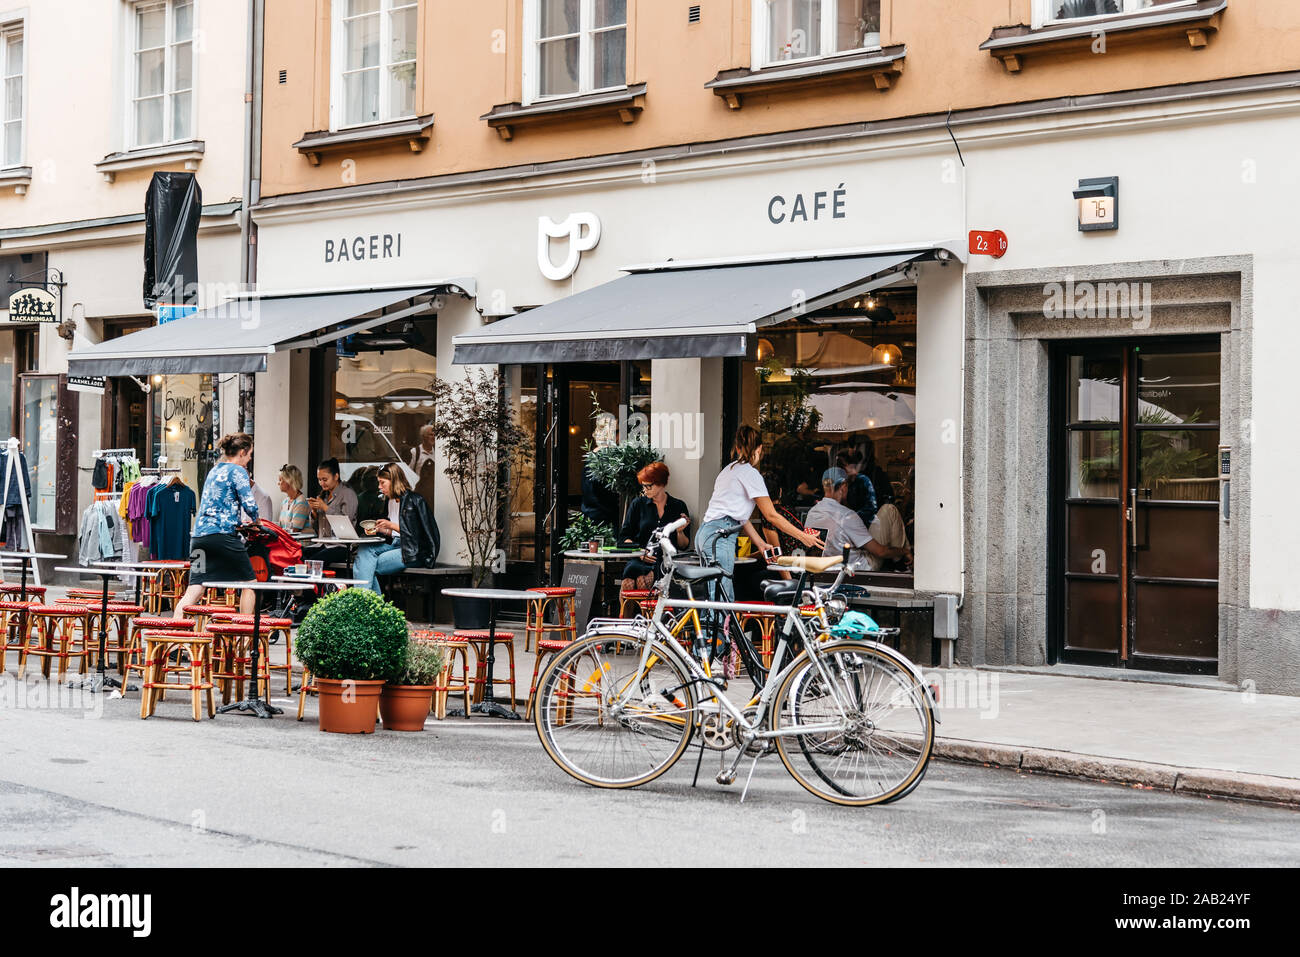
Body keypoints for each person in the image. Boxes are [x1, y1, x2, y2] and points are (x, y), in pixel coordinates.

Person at [695, 425, 823, 604]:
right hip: (720, 536)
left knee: (713, 594)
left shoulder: (728, 471)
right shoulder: (750, 473)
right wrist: (803, 537)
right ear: (759, 449)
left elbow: (741, 517)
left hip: (706, 534)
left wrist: (761, 544)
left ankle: (709, 631)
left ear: (737, 448)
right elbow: (771, 515)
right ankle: (715, 633)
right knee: (721, 598)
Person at [173, 432, 259, 619]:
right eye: (250, 454)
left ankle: (174, 634)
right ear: (242, 452)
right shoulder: (238, 471)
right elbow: (250, 505)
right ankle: (244, 636)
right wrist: (256, 522)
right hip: (222, 537)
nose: (249, 459)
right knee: (249, 583)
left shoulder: (215, 470)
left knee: (195, 587)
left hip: (199, 538)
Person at [352, 462, 441, 594]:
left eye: (382, 482)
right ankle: (371, 606)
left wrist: (391, 525)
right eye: (378, 483)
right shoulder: (390, 501)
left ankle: (367, 605)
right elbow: (395, 533)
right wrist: (382, 530)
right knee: (364, 551)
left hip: (413, 550)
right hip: (396, 544)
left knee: (366, 567)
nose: (379, 487)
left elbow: (418, 535)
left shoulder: (415, 500)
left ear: (393, 480)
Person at [804, 467, 911, 572]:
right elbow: (880, 552)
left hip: (828, 570)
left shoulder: (812, 513)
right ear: (844, 486)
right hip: (859, 569)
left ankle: (899, 560)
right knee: (889, 509)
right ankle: (901, 561)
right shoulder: (846, 515)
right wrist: (904, 551)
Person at [617, 462, 690, 592]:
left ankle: (645, 613)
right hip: (639, 559)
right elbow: (624, 537)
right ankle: (626, 613)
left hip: (664, 561)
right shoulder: (638, 504)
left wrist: (679, 532)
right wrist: (640, 553)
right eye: (643, 486)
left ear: (661, 484)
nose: (644, 490)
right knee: (628, 582)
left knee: (642, 581)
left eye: (648, 486)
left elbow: (684, 546)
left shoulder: (678, 506)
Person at [303, 458, 359, 568]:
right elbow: (316, 528)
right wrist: (314, 511)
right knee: (299, 554)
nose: (321, 483)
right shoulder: (323, 495)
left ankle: (317, 585)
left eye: (325, 479)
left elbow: (345, 522)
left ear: (336, 477)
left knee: (314, 562)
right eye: (319, 480)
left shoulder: (347, 494)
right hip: (323, 544)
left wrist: (325, 507)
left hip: (341, 546)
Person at [837, 448, 878, 528]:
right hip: (847, 526)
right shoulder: (842, 483)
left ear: (851, 465)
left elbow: (871, 508)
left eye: (842, 466)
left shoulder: (863, 480)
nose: (839, 470)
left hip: (863, 527)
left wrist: (851, 517)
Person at [277, 464, 310, 533]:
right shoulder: (285, 502)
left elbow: (294, 530)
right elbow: (280, 527)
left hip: (301, 542)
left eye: (280, 480)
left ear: (290, 481)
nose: (278, 483)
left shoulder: (301, 502)